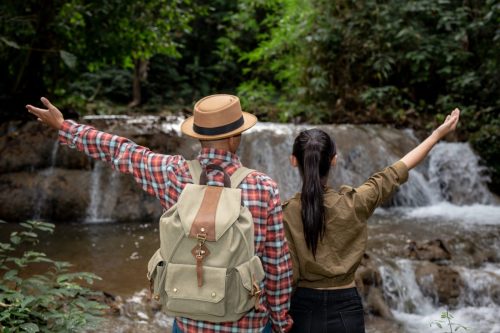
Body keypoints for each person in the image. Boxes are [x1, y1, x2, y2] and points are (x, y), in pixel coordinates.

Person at [26, 95, 293, 333]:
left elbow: (121, 151)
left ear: (198, 136)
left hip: (189, 322)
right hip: (247, 324)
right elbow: (277, 264)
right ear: (237, 136)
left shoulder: (173, 174)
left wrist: (64, 126)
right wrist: (280, 321)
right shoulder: (262, 186)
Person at [282, 108, 460, 333]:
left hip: (302, 308)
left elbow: (286, 272)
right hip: (346, 307)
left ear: (293, 161)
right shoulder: (356, 202)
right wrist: (436, 135)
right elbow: (399, 169)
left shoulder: (285, 212)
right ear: (334, 160)